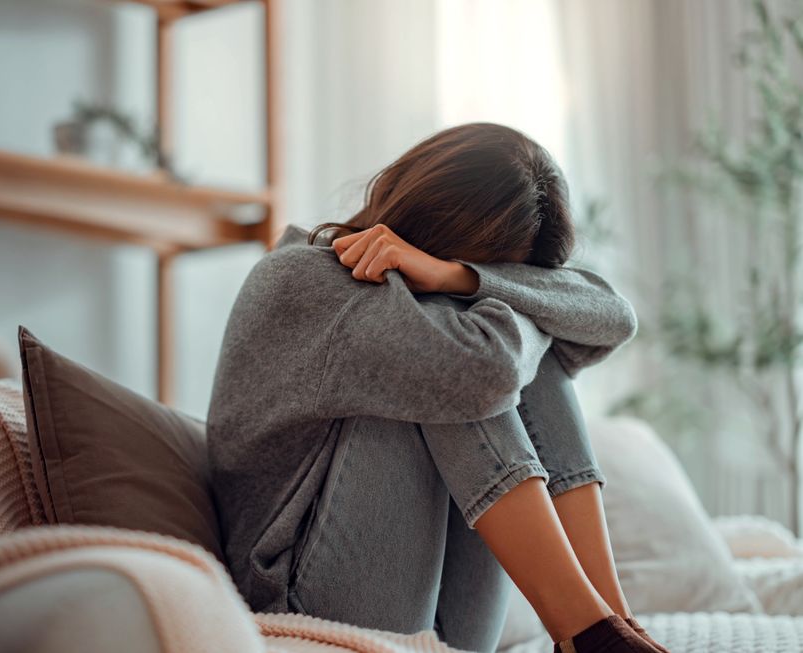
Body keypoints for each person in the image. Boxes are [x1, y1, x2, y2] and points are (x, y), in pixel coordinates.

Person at [207, 123, 669, 653]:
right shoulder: (303, 276)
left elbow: (613, 316)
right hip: (300, 601)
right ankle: (587, 633)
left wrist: (463, 278)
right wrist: (472, 295)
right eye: (464, 262)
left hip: (447, 614)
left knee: (522, 349)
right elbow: (480, 372)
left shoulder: (440, 289)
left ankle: (613, 624)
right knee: (469, 356)